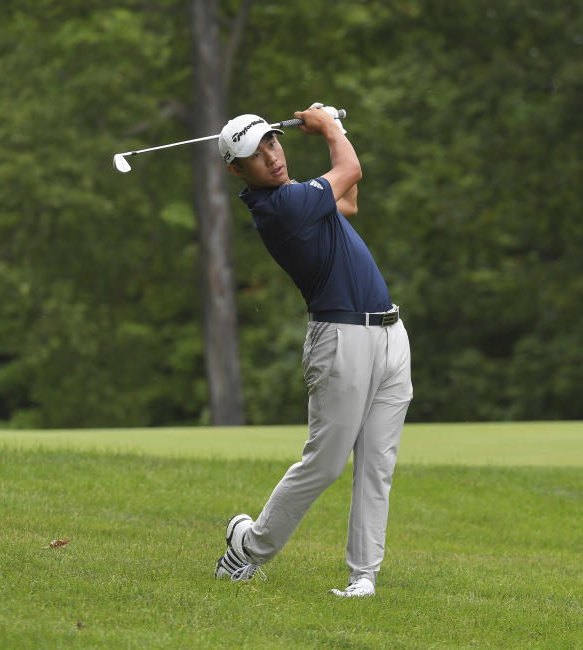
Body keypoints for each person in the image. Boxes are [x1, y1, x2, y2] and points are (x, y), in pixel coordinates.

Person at [212, 104, 413, 598]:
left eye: (272, 144)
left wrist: (330, 136)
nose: (272, 158)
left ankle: (362, 577)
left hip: (390, 332)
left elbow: (350, 200)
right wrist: (330, 126)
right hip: (341, 339)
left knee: (377, 465)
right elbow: (351, 170)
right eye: (255, 157)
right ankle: (248, 550)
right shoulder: (280, 207)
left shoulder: (300, 196)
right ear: (237, 170)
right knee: (325, 463)